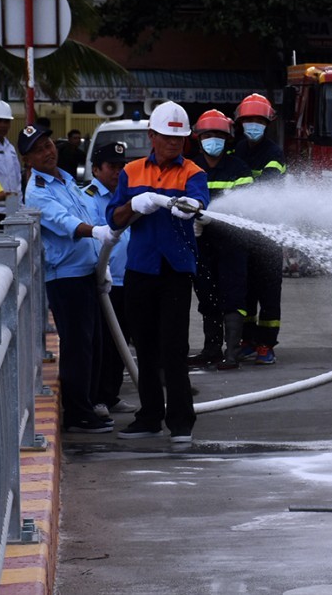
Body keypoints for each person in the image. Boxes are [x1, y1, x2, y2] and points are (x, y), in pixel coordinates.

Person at [107, 101, 209, 443]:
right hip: (140, 268)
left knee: (174, 348)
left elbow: (199, 204)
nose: (173, 143)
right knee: (145, 347)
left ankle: (181, 423)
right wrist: (132, 205)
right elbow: (113, 218)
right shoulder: (131, 171)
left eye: (179, 139)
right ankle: (149, 416)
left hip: (176, 270)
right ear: (152, 135)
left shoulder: (193, 172)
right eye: (167, 137)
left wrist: (193, 207)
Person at [20, 123, 120, 433]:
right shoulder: (37, 190)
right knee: (78, 346)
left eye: (47, 144)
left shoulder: (65, 180)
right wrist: (97, 232)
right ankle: (77, 414)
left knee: (94, 343)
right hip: (65, 277)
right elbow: (67, 223)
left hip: (88, 272)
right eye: (38, 150)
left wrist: (103, 267)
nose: (47, 152)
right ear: (28, 161)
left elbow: (89, 211)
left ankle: (88, 404)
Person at [189, 109, 253, 370]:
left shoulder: (239, 168)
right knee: (207, 297)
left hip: (232, 244)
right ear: (199, 137)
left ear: (227, 139)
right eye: (208, 135)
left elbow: (248, 206)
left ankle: (232, 352)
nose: (213, 139)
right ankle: (212, 349)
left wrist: (211, 218)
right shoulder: (191, 169)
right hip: (201, 245)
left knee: (233, 296)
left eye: (218, 135)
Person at [83, 142, 139, 419]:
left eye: (121, 167)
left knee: (122, 341)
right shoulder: (89, 198)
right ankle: (98, 398)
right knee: (103, 343)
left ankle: (111, 394)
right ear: (96, 169)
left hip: (129, 277)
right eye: (112, 167)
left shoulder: (128, 195)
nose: (118, 172)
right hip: (106, 282)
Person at [232, 93, 286, 365]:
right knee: (246, 290)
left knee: (268, 291)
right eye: (248, 120)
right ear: (240, 123)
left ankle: (266, 344)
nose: (253, 124)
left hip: (268, 234)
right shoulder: (237, 150)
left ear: (267, 123)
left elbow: (268, 187)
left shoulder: (274, 153)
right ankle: (248, 340)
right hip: (243, 234)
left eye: (258, 120)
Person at [0, 100, 21, 226]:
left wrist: (18, 207)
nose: (2, 125)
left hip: (11, 210)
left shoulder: (10, 148)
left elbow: (17, 180)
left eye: (6, 121)